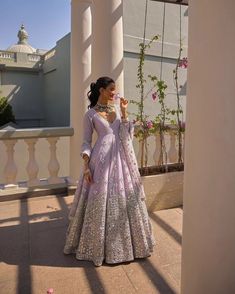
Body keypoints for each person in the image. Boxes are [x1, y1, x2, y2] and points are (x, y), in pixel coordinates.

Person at [64, 76, 155, 266]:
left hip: (121, 159)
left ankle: (130, 246)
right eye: (111, 89)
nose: (115, 92)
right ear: (102, 90)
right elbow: (86, 142)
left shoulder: (116, 110)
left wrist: (124, 113)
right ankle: (98, 247)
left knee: (124, 199)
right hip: (100, 160)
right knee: (100, 199)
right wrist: (86, 166)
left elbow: (126, 137)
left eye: (115, 89)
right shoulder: (90, 114)